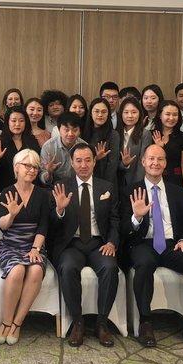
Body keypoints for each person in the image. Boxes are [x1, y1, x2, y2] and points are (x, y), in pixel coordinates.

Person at [124, 144, 183, 350]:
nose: (155, 163)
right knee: (144, 263)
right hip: (143, 243)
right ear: (143, 162)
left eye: (160, 159)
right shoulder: (130, 190)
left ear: (165, 164)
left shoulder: (178, 192)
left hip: (173, 245)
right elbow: (123, 229)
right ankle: (145, 321)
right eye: (151, 159)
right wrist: (136, 217)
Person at [50, 143, 120, 347]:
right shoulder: (61, 186)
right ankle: (78, 322)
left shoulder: (106, 187)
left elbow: (115, 220)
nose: (83, 165)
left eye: (88, 160)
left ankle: (102, 323)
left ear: (94, 162)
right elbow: (52, 226)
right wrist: (60, 211)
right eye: (78, 161)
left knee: (110, 267)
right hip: (72, 244)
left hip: (99, 243)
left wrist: (111, 242)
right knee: (68, 267)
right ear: (72, 163)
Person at [0, 149, 51, 345]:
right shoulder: (7, 192)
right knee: (17, 270)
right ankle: (6, 322)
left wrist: (35, 249)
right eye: (27, 166)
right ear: (16, 168)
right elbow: (2, 226)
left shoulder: (42, 194)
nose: (32, 170)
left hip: (33, 245)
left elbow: (43, 226)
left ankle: (17, 323)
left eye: (35, 167)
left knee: (36, 270)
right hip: (9, 245)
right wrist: (11, 215)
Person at [0, 106, 40, 194]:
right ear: (7, 122)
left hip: (28, 187)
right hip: (4, 188)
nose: (17, 124)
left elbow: (36, 166)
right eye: (13, 121)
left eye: (21, 121)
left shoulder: (32, 141)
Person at [82, 98, 119, 190]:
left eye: (104, 112)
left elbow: (112, 165)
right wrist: (96, 158)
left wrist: (105, 186)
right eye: (96, 111)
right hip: (85, 180)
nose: (100, 115)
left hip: (107, 182)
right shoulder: (82, 132)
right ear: (91, 113)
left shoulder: (113, 135)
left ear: (108, 114)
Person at [116, 97, 151, 195]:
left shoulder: (145, 134)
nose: (130, 116)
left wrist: (137, 186)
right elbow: (113, 161)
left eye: (134, 112)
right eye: (126, 112)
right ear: (121, 114)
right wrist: (124, 164)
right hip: (116, 182)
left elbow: (142, 163)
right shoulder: (115, 133)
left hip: (135, 183)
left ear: (140, 114)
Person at [39, 112, 83, 186]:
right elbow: (42, 178)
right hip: (54, 186)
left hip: (77, 185)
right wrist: (49, 172)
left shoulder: (84, 147)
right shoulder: (48, 147)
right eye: (66, 130)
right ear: (59, 130)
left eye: (75, 130)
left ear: (79, 131)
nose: (70, 134)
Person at [150, 100, 183, 185]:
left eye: (175, 115)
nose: (171, 118)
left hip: (176, 179)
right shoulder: (151, 134)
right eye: (168, 114)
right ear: (160, 115)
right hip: (154, 179)